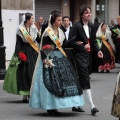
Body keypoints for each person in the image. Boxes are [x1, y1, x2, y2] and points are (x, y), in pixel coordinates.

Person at [29, 10, 84, 115]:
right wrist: (46, 61)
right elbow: (43, 48)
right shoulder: (47, 32)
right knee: (51, 81)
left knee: (65, 80)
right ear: (53, 21)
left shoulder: (61, 31)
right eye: (59, 20)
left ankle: (64, 104)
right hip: (49, 58)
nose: (61, 22)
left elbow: (64, 44)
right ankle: (50, 107)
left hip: (60, 57)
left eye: (61, 20)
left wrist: (76, 43)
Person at [67, 5, 103, 115]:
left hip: (88, 57)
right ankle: (92, 106)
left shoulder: (92, 26)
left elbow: (93, 42)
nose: (89, 14)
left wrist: (98, 50)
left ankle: (75, 105)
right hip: (78, 56)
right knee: (85, 79)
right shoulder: (76, 26)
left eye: (90, 12)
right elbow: (70, 42)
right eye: (86, 12)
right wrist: (82, 47)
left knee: (81, 79)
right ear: (82, 14)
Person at [3, 12, 40, 102]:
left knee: (33, 72)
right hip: (24, 51)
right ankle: (24, 95)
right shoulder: (20, 29)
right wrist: (18, 54)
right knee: (24, 73)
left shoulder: (34, 28)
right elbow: (18, 43)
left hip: (33, 51)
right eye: (32, 18)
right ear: (27, 20)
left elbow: (38, 39)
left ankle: (31, 93)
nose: (33, 20)